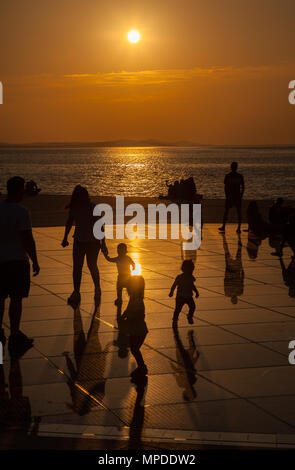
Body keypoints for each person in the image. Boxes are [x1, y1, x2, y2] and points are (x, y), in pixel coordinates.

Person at [0, 176, 40, 357]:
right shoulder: (21, 212)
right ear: (19, 191)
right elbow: (27, 239)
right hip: (16, 261)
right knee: (16, 299)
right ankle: (15, 332)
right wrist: (35, 260)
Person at [61, 185, 107, 308]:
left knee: (91, 265)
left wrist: (104, 244)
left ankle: (97, 288)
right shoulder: (75, 208)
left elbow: (100, 227)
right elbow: (69, 223)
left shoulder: (93, 207)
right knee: (77, 267)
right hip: (79, 241)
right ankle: (76, 292)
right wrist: (65, 237)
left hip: (92, 242)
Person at [120, 276, 148, 378]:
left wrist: (127, 318)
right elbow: (128, 310)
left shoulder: (139, 301)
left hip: (139, 330)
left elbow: (137, 315)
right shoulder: (133, 298)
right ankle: (141, 366)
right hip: (135, 330)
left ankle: (142, 367)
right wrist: (124, 315)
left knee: (135, 349)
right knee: (134, 349)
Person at [169, 259, 199, 325]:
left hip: (188, 296)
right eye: (191, 270)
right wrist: (171, 291)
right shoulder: (180, 277)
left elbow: (192, 285)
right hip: (180, 297)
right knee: (178, 309)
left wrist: (196, 292)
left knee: (193, 307)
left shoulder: (190, 277)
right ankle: (175, 318)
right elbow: (174, 285)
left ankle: (189, 316)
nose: (192, 271)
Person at [219, 162, 244, 234]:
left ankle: (237, 227)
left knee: (233, 212)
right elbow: (226, 187)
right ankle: (225, 226)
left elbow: (242, 186)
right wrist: (227, 195)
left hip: (235, 196)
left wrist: (240, 195)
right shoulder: (229, 176)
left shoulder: (235, 176)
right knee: (228, 212)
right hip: (232, 196)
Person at [222, 233, 244, 304]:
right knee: (227, 252)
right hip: (231, 271)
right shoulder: (228, 292)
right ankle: (224, 239)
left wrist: (242, 271)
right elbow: (225, 281)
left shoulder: (239, 292)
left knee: (238, 252)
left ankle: (239, 239)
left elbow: (242, 281)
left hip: (235, 270)